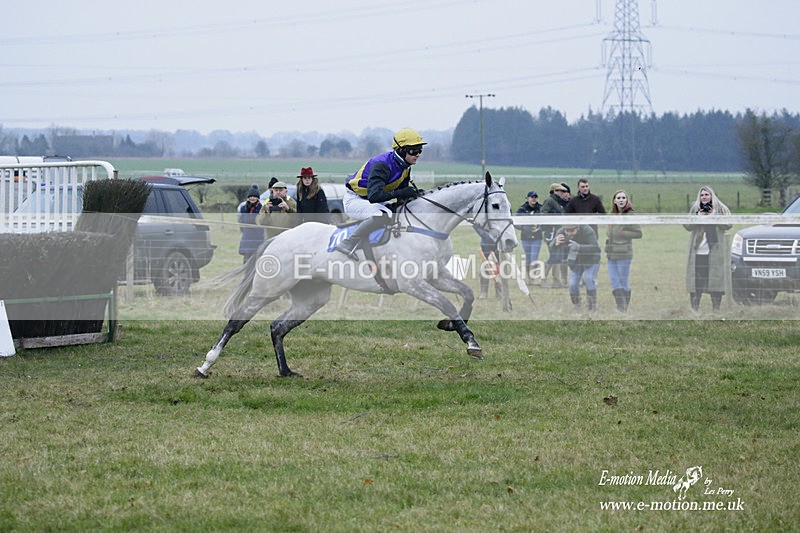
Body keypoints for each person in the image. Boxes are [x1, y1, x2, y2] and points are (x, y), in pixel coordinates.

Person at [335, 128, 423, 257]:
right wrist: (401, 193)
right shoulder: (382, 164)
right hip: (355, 200)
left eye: (420, 150)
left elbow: (401, 196)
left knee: (400, 210)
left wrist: (413, 196)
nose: (418, 154)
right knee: (382, 215)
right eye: (414, 150)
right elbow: (374, 196)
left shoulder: (405, 166)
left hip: (373, 200)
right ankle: (348, 243)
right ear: (401, 150)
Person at [684, 186, 731, 311]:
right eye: (702, 195)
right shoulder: (695, 208)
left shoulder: (720, 208)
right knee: (697, 280)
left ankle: (716, 309)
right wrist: (698, 216)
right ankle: (695, 308)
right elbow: (687, 225)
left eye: (707, 194)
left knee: (715, 279)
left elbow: (729, 224)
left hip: (714, 250)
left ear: (712, 196)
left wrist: (714, 216)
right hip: (698, 250)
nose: (704, 197)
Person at [549, 223, 601, 311]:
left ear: (578, 228)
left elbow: (595, 247)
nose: (569, 233)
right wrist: (555, 243)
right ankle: (577, 305)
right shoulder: (561, 232)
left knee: (589, 279)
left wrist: (579, 247)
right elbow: (551, 248)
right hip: (575, 261)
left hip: (591, 259)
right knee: (572, 284)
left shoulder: (588, 230)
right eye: (567, 231)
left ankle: (591, 307)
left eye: (572, 231)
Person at [605, 190, 642, 311]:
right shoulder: (613, 215)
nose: (621, 200)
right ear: (614, 200)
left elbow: (638, 233)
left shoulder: (630, 215)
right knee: (614, 281)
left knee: (623, 281)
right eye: (618, 198)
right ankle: (620, 307)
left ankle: (623, 308)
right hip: (611, 253)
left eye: (623, 198)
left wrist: (622, 233)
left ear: (626, 200)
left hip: (624, 253)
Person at [540, 182, 570, 288]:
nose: (563, 193)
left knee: (558, 256)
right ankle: (542, 279)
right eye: (561, 191)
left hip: (557, 232)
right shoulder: (549, 201)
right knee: (554, 256)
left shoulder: (557, 202)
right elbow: (543, 214)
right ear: (554, 191)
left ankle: (556, 280)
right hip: (551, 232)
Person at [515, 191, 543, 279]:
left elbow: (545, 220)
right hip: (525, 238)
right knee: (528, 258)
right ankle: (530, 276)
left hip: (537, 237)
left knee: (534, 258)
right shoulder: (522, 209)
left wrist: (540, 227)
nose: (533, 199)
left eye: (535, 197)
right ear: (528, 198)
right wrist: (523, 227)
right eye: (532, 197)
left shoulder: (541, 208)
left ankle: (533, 277)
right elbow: (515, 222)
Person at [237, 184, 264, 263]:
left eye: (254, 196)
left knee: (257, 258)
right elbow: (241, 221)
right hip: (247, 237)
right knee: (247, 259)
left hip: (258, 237)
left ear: (257, 198)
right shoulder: (243, 208)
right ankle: (247, 275)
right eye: (251, 196)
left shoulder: (261, 208)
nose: (252, 198)